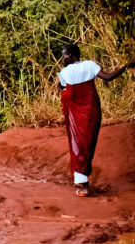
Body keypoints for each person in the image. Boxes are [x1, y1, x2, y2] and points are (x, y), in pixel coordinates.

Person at [57, 44, 134, 196]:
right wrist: (125, 66)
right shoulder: (90, 65)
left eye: (64, 56)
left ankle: (83, 183)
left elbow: (62, 89)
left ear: (71, 55)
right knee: (88, 145)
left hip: (76, 115)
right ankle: (82, 180)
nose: (63, 60)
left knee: (78, 145)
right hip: (92, 112)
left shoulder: (65, 72)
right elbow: (109, 77)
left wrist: (62, 90)